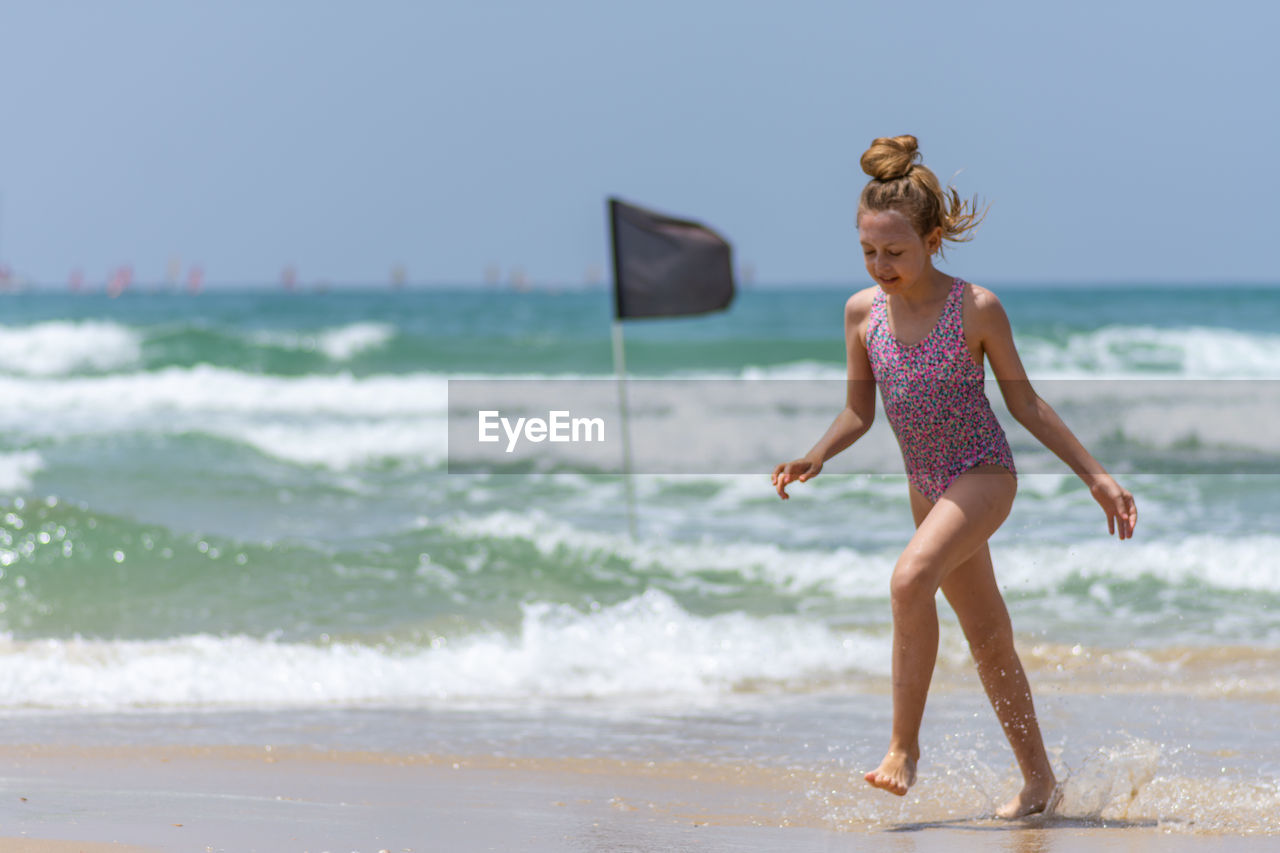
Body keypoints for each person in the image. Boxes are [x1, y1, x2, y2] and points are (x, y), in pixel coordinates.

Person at [771, 135, 1137, 819]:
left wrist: (1097, 475)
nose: (882, 265)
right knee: (988, 639)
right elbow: (858, 410)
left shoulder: (976, 308)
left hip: (983, 473)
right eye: (869, 252)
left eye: (896, 252)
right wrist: (817, 453)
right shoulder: (861, 314)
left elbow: (1025, 404)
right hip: (925, 483)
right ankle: (1040, 781)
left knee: (910, 579)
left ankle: (903, 748)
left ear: (934, 238)